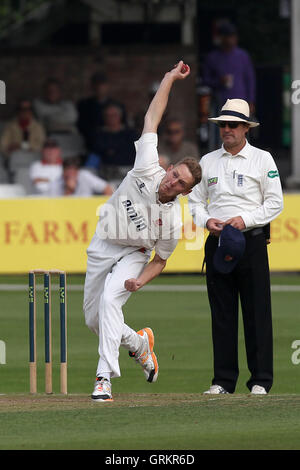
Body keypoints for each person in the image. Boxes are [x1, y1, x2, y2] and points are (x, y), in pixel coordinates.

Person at [83, 61, 202, 402]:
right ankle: (139, 343)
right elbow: (153, 117)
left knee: (110, 301)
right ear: (168, 167)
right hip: (103, 241)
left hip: (133, 256)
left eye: (180, 182)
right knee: (95, 320)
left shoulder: (173, 223)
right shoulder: (147, 165)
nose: (172, 180)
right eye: (174, 173)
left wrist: (140, 281)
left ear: (186, 191)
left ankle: (103, 377)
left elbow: (160, 260)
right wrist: (168, 79)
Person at [188, 98, 283, 395]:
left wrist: (244, 219)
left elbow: (275, 203)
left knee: (257, 313)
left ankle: (260, 380)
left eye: (232, 125)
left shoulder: (262, 159)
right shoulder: (208, 161)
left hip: (251, 242)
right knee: (222, 314)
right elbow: (194, 201)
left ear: (245, 128)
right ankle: (223, 381)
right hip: (217, 242)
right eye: (222, 125)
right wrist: (207, 222)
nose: (226, 130)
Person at [202, 22, 256, 149]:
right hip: (219, 103)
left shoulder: (243, 56)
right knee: (218, 134)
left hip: (241, 103)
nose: (230, 39)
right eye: (226, 36)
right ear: (220, 38)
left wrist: (251, 101)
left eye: (232, 36)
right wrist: (219, 81)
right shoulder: (212, 57)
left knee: (241, 132)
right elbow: (205, 81)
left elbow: (250, 80)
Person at [86, 103, 138, 182]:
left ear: (120, 116)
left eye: (114, 115)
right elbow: (96, 152)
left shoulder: (131, 134)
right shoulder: (99, 134)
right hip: (105, 172)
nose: (111, 118)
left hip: (127, 171)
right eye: (107, 116)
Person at [77, 73, 127, 149]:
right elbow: (82, 126)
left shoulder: (117, 105)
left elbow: (123, 126)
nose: (99, 87)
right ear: (92, 86)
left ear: (107, 86)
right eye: (97, 84)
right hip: (93, 141)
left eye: (102, 84)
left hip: (116, 140)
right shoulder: (84, 105)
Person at [47, 156, 113, 197]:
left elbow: (107, 188)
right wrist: (69, 190)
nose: (70, 173)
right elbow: (56, 206)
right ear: (63, 171)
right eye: (68, 169)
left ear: (78, 171)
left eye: (73, 169)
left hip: (88, 212)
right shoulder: (56, 183)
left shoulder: (85, 176)